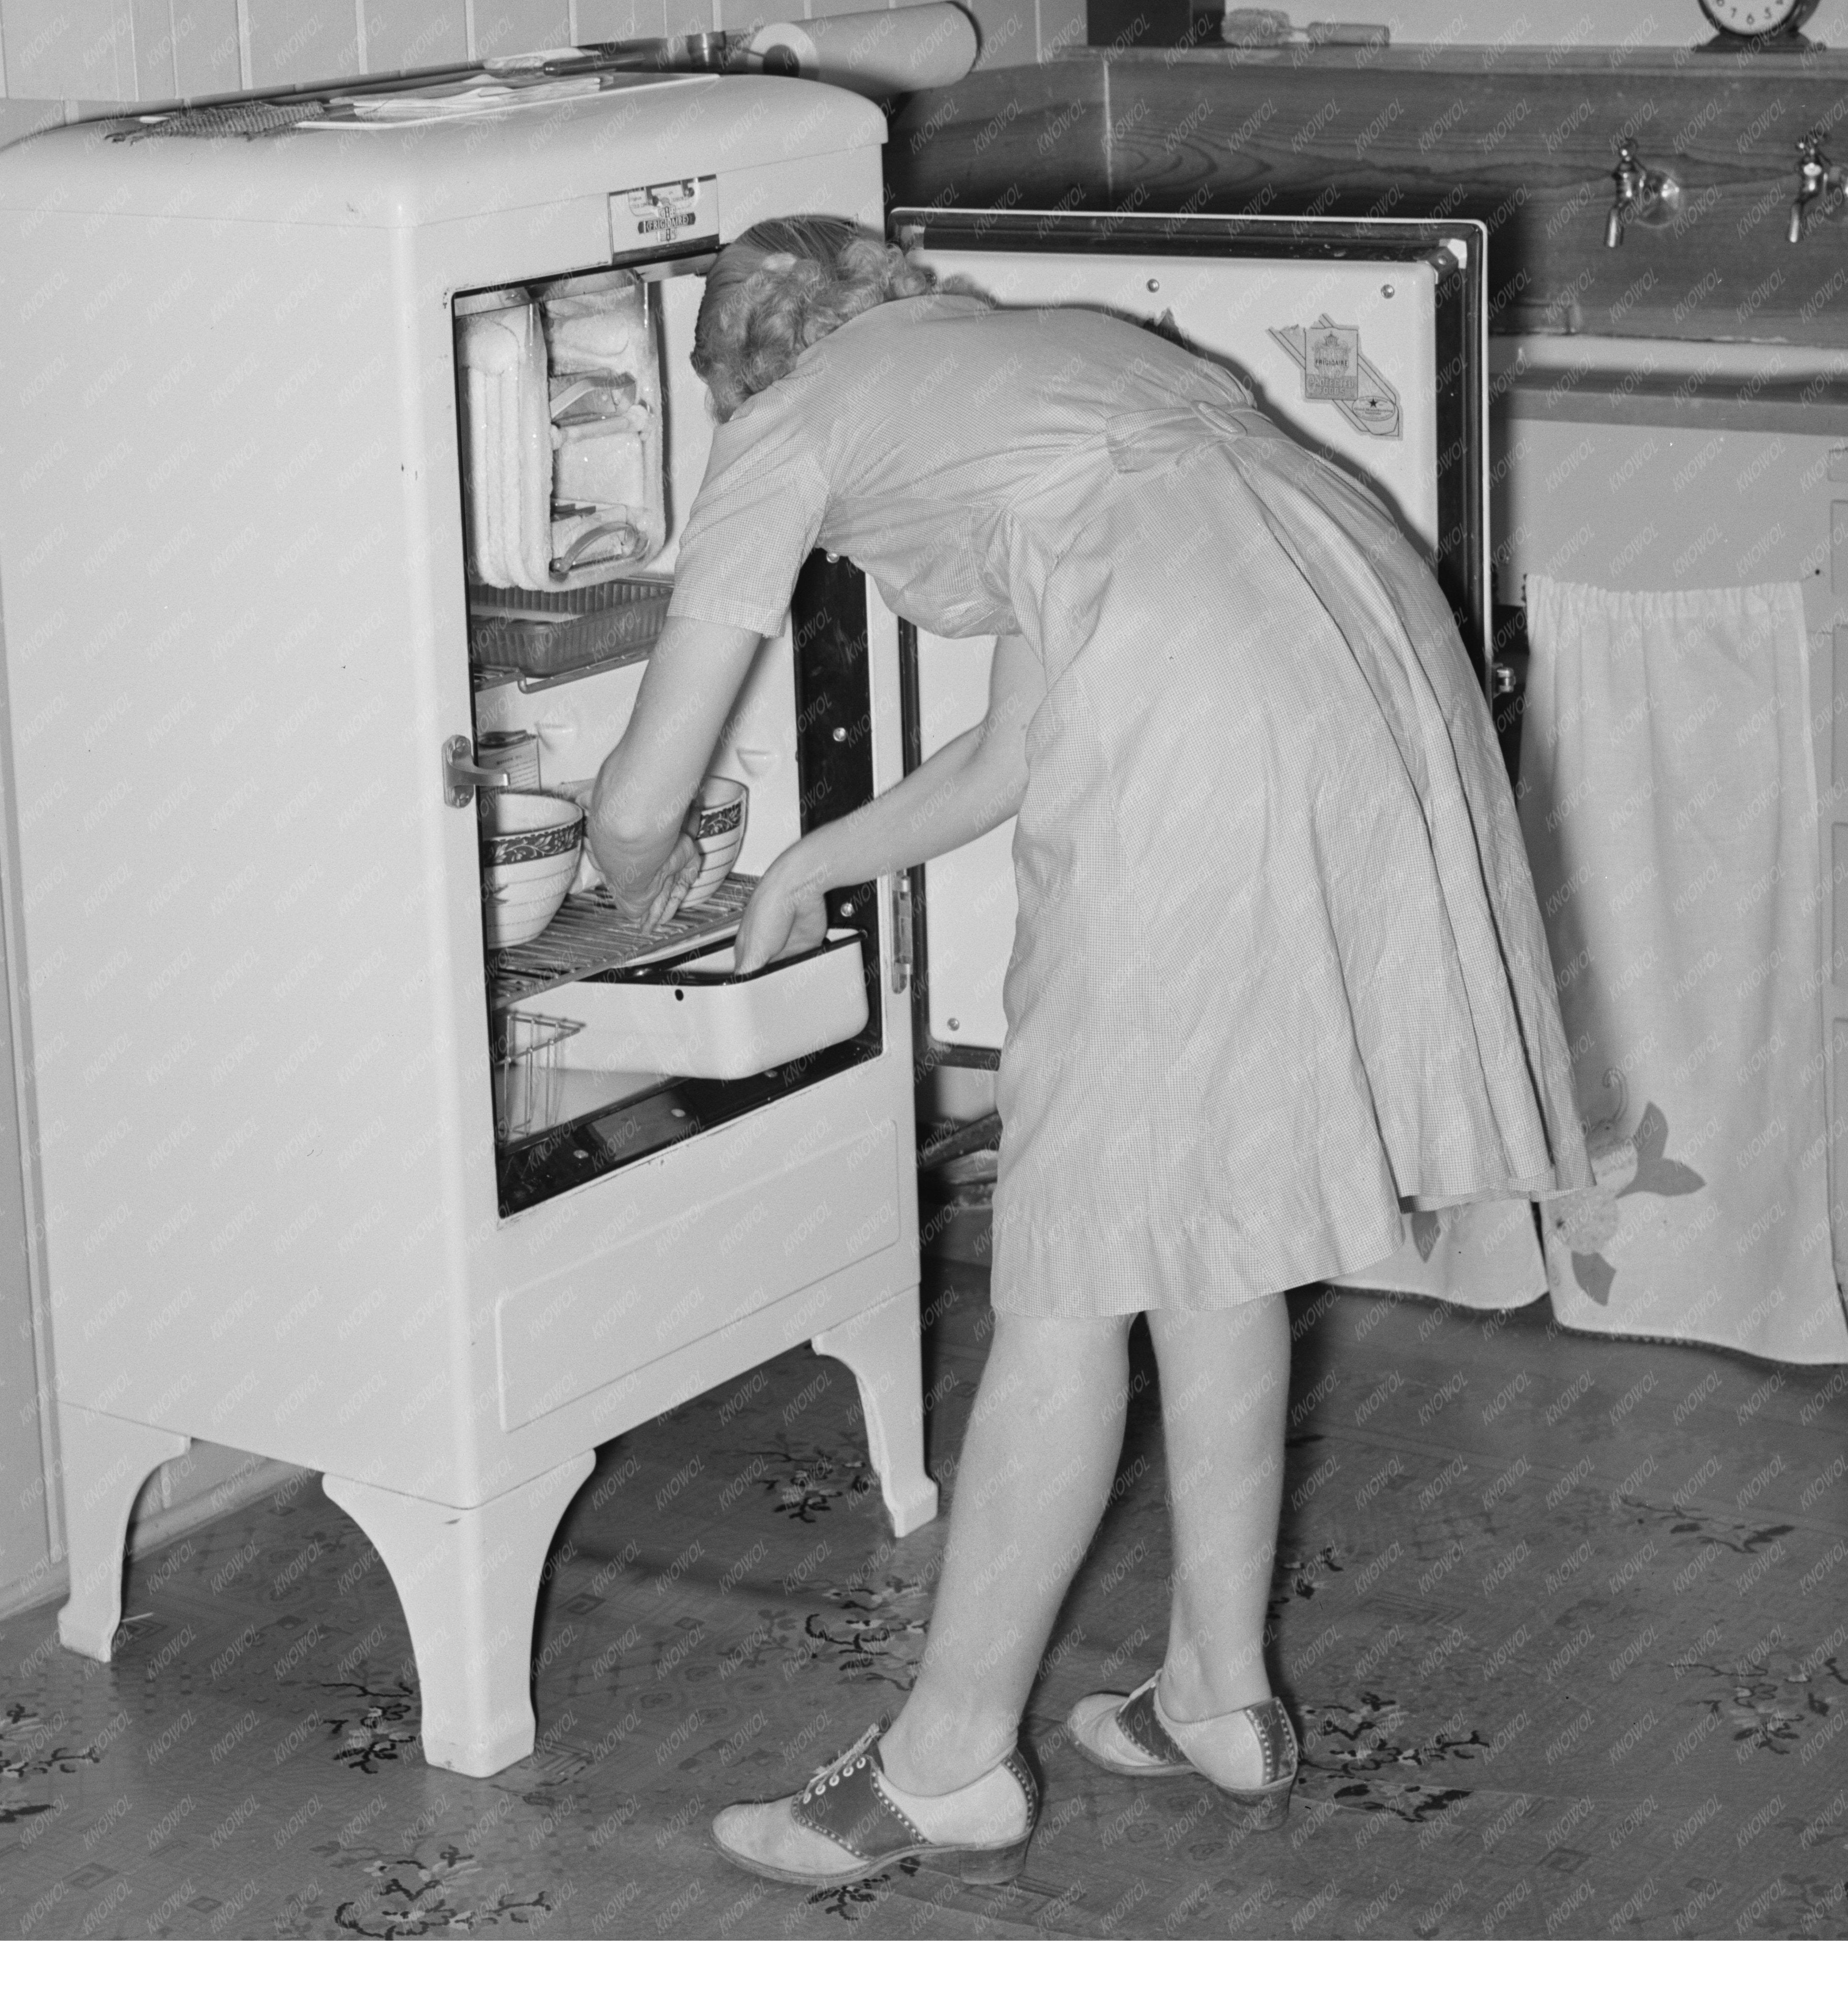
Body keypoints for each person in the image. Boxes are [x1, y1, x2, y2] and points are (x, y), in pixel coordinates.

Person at [588, 215, 1588, 1890]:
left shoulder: (790, 418)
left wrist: (623, 892)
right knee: (1213, 1219)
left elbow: (637, 798)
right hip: (1359, 654)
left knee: (1064, 1268)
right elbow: (1009, 750)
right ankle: (1212, 1687)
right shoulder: (1046, 365)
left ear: (740, 371)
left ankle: (945, 1764)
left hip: (1192, 729)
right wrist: (809, 866)